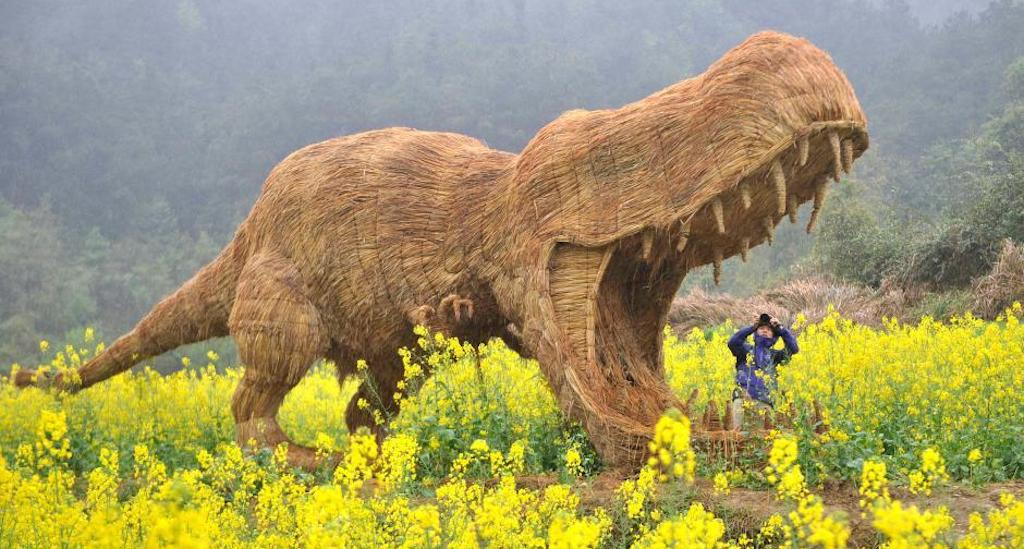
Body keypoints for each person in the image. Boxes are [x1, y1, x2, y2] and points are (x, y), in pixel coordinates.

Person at [727, 313, 799, 407]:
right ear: (756, 332)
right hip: (742, 398)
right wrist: (752, 327)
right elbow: (733, 342)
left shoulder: (775, 356)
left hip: (765, 402)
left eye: (769, 329)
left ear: (773, 335)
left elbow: (793, 349)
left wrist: (780, 329)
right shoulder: (745, 350)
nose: (765, 330)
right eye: (761, 328)